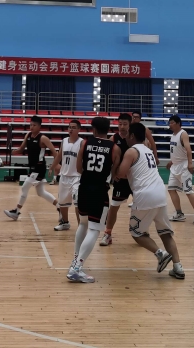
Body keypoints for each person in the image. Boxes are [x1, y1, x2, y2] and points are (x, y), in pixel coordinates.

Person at [118, 122, 185, 280]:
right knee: (165, 233)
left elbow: (121, 173)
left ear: (132, 135)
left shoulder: (131, 151)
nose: (125, 136)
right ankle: (178, 267)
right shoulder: (148, 150)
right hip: (160, 192)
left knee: (136, 233)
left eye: (127, 134)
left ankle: (160, 254)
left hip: (145, 195)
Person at [66, 117, 120, 283]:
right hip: (99, 191)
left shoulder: (85, 143)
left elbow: (79, 168)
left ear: (94, 129)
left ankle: (75, 260)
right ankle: (77, 268)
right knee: (95, 229)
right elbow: (115, 174)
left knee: (83, 224)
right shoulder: (115, 148)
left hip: (84, 188)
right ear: (108, 129)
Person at [4, 115, 58, 221]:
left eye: (34, 125)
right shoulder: (28, 135)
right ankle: (59, 206)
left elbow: (54, 152)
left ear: (39, 126)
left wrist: (54, 166)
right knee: (41, 192)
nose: (31, 127)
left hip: (39, 168)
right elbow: (21, 149)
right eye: (30, 125)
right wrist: (13, 151)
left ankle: (16, 212)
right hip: (32, 167)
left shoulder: (43, 138)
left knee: (24, 187)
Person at [100, 113, 132, 246]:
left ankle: (142, 230)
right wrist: (113, 174)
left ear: (130, 125)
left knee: (142, 206)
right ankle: (107, 233)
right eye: (120, 124)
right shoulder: (113, 139)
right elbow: (109, 158)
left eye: (125, 124)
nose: (122, 126)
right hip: (121, 180)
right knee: (113, 206)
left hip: (136, 178)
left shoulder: (135, 138)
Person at [166, 115, 194, 224]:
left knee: (188, 191)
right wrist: (171, 161)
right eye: (169, 123)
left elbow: (188, 149)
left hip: (184, 167)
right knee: (171, 189)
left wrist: (190, 164)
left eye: (172, 123)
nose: (170, 125)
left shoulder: (183, 134)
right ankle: (179, 213)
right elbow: (176, 151)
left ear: (178, 123)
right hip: (175, 166)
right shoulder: (173, 135)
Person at [51, 120, 84, 231]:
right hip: (64, 176)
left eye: (73, 127)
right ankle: (65, 223)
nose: (71, 129)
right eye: (69, 127)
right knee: (63, 203)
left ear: (79, 129)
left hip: (77, 177)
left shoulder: (82, 142)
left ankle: (81, 227)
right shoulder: (64, 141)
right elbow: (59, 156)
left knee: (78, 203)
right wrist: (52, 167)